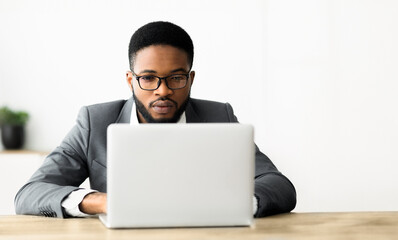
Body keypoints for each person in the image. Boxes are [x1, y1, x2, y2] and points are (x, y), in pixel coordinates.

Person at [15, 21, 296, 218]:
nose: (163, 90)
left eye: (176, 77)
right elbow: (30, 194)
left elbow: (278, 185)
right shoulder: (95, 122)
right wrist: (101, 202)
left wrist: (232, 204)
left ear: (190, 79)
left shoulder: (218, 116)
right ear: (130, 80)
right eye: (148, 78)